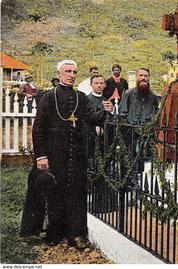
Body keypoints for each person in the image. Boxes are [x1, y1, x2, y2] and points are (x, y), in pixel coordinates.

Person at [31, 59, 113, 248]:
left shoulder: (81, 97)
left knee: (76, 193)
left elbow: (91, 119)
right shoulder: (48, 97)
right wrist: (41, 156)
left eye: (74, 72)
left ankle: (75, 233)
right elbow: (38, 129)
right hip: (54, 153)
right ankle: (53, 233)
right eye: (67, 71)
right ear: (59, 73)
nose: (71, 75)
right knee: (55, 192)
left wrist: (104, 111)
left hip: (76, 154)